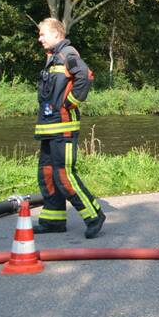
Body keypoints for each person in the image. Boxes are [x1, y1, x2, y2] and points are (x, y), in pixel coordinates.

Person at [33, 18, 105, 238]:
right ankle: (53, 220)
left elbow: (85, 76)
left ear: (56, 34)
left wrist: (69, 103)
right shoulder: (53, 57)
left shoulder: (68, 54)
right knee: (47, 173)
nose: (40, 38)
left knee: (64, 175)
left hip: (63, 126)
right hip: (49, 126)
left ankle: (94, 215)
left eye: (43, 34)